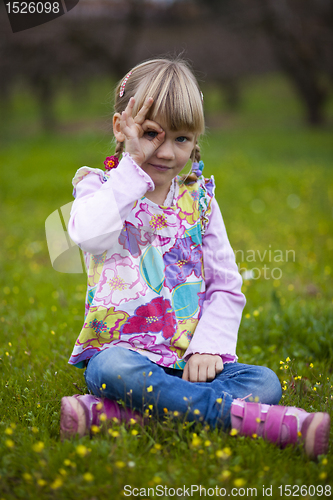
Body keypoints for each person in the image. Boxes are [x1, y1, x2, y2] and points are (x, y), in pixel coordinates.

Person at [60, 58, 330, 459]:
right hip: (125, 357)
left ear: (196, 141)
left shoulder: (199, 200)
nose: (166, 152)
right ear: (122, 128)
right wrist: (131, 172)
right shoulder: (99, 189)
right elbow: (89, 235)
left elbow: (225, 283)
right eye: (151, 134)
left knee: (264, 382)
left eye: (182, 139)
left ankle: (121, 416)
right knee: (109, 370)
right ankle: (256, 422)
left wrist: (208, 349)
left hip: (190, 361)